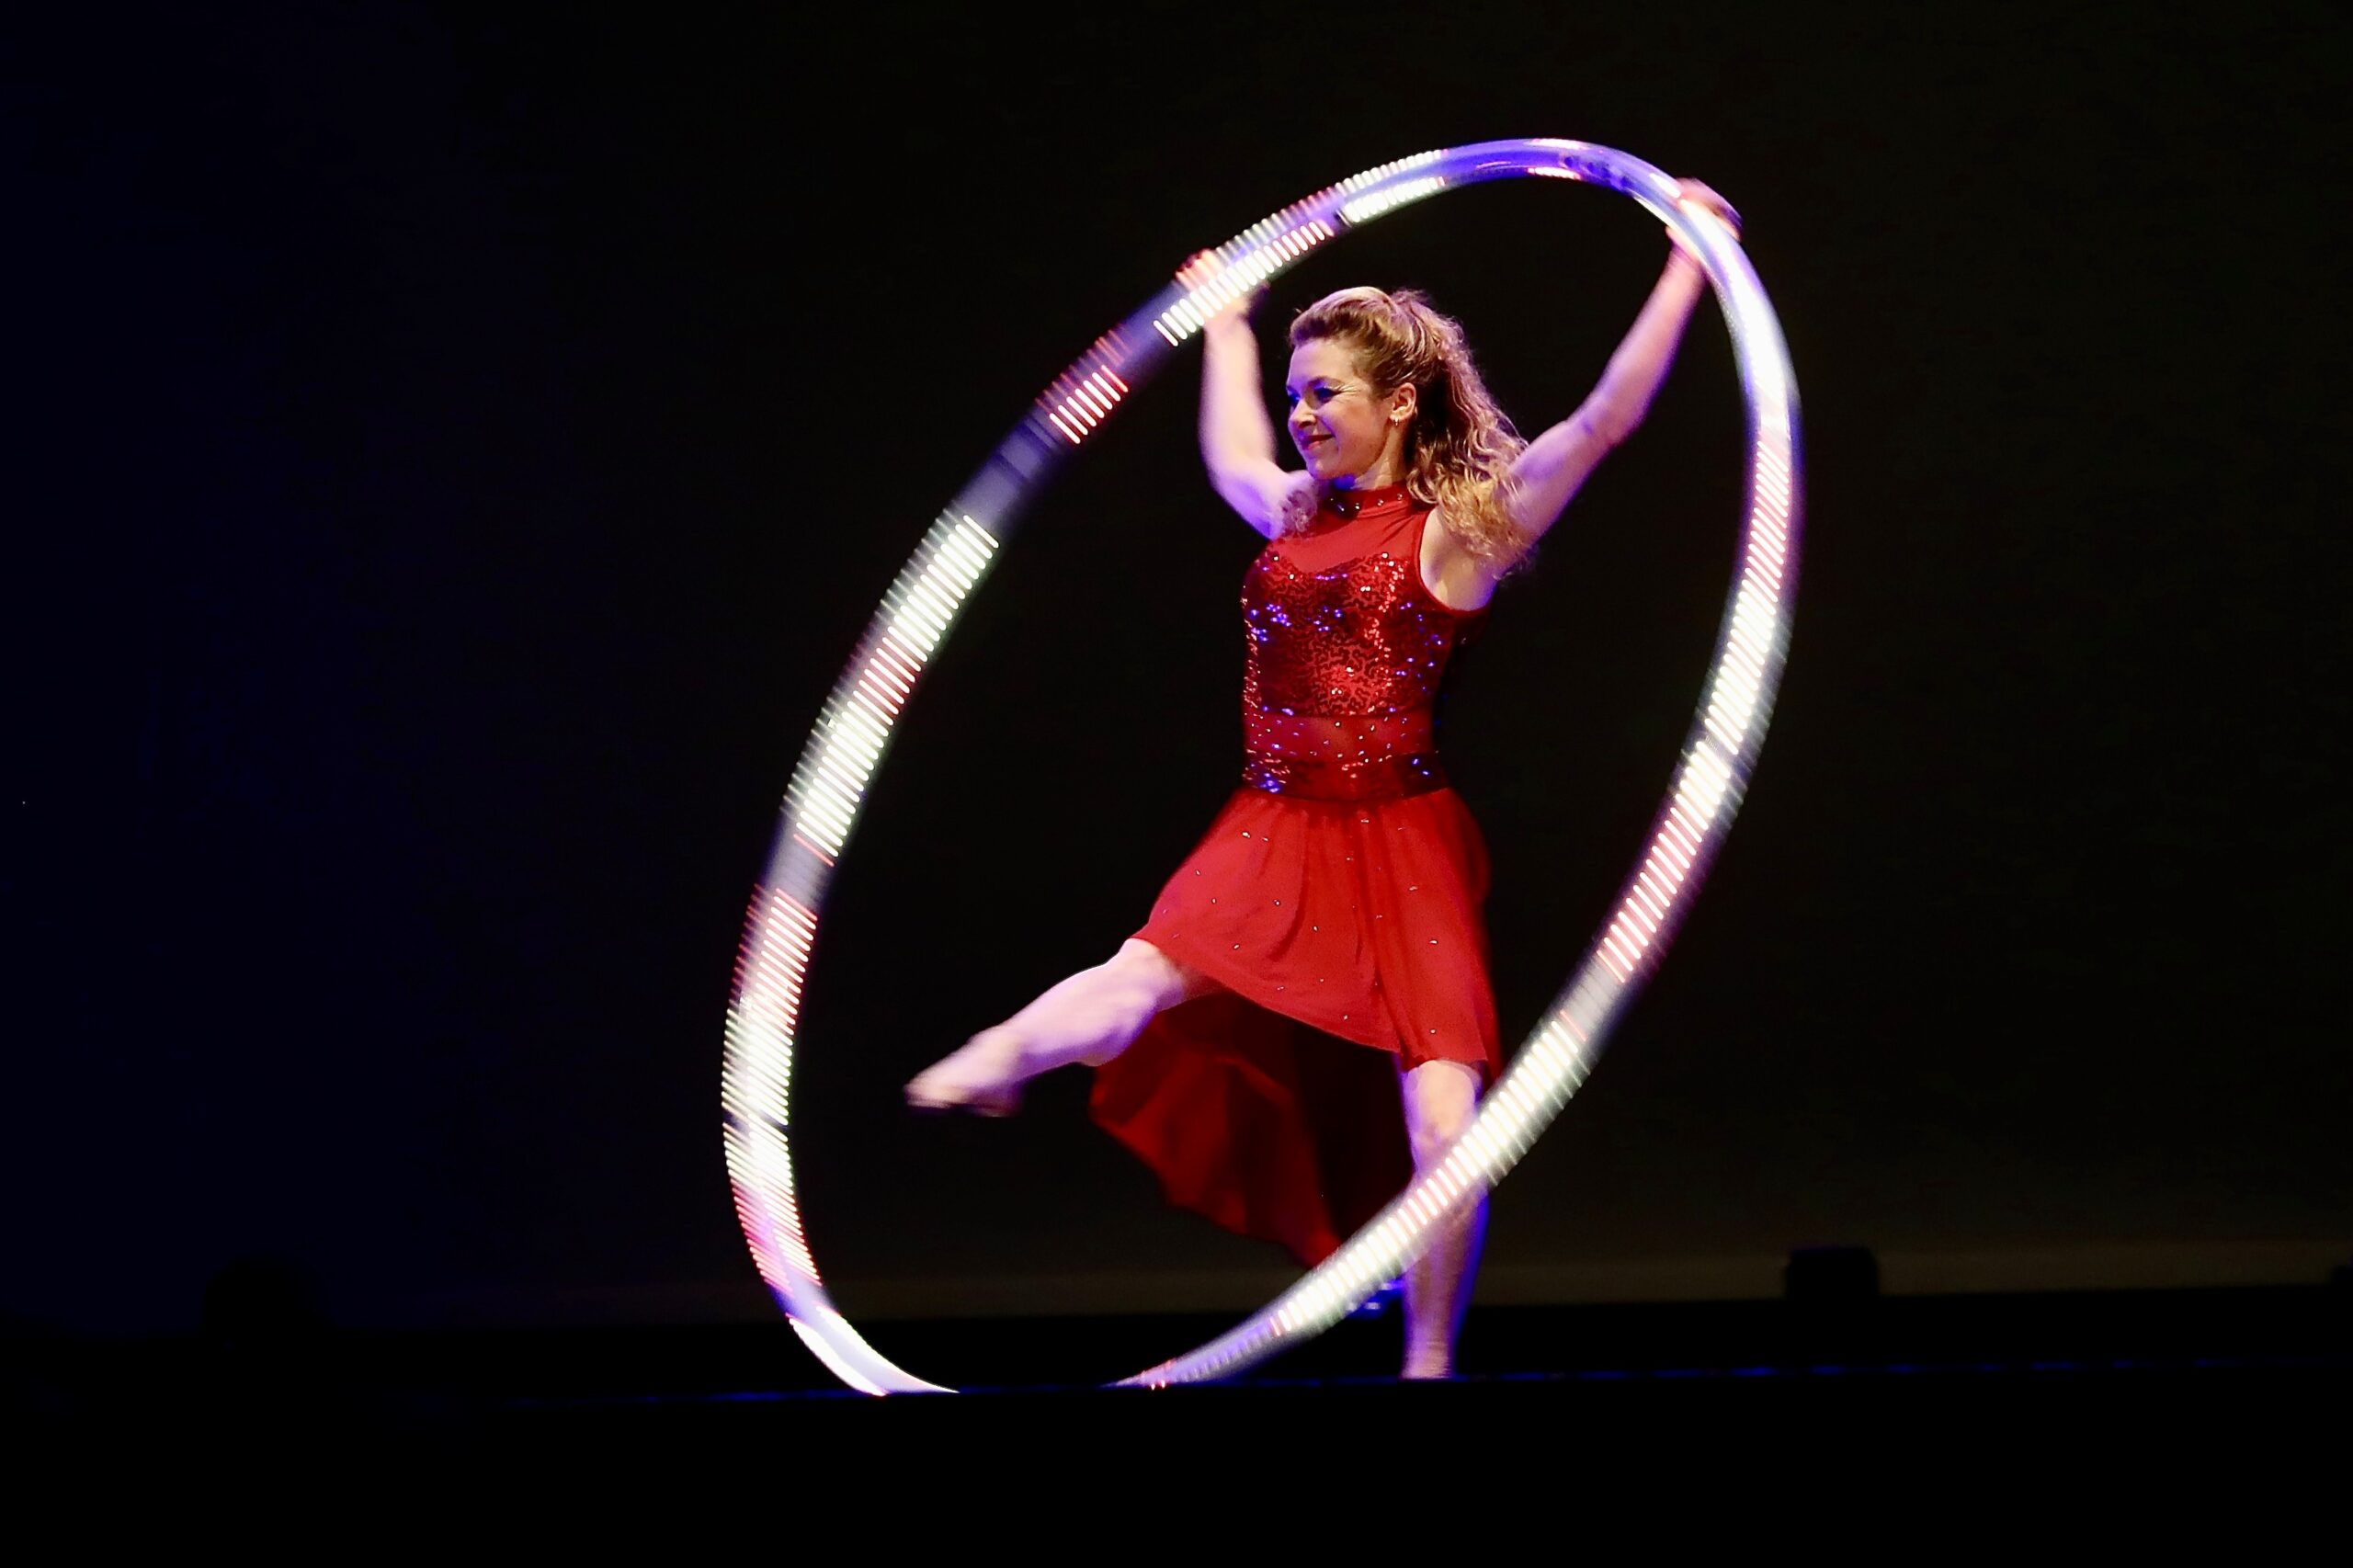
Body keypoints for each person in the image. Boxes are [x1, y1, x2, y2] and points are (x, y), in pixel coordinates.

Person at [907, 180, 1740, 1379]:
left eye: (1326, 393)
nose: (1301, 417)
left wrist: (1689, 262)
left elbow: (1602, 422)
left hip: (1399, 840)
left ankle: (1430, 1357)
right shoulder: (1294, 511)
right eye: (1299, 393)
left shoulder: (1462, 531)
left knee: (1446, 1121)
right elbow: (1230, 452)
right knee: (1139, 977)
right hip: (1273, 824)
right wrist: (1229, 318)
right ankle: (999, 1057)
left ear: (1401, 400)